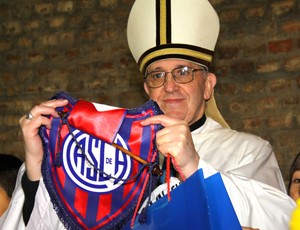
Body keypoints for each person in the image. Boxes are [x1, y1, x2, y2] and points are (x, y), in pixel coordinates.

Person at [0, 0, 296, 229]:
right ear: (146, 88)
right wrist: (38, 166)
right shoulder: (115, 151)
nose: (169, 86)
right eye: (157, 75)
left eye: (183, 72)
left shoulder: (248, 151)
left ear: (208, 85)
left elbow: (281, 219)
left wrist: (193, 166)